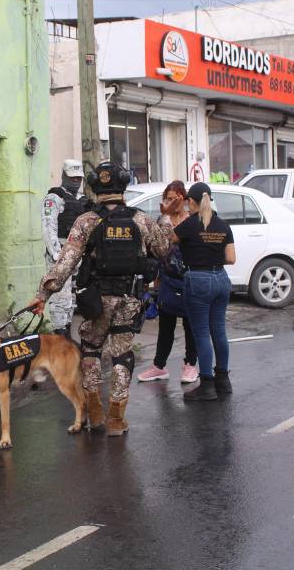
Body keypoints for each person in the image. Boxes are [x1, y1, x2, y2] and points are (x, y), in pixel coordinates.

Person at [28, 161, 171, 436]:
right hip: (129, 299)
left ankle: (95, 413)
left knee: (91, 351)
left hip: (95, 301)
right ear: (123, 186)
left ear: (96, 188)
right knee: (122, 355)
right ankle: (117, 419)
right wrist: (164, 218)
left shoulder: (86, 221)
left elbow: (65, 263)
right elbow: (163, 249)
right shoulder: (141, 219)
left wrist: (43, 294)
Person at [173, 182, 236, 401]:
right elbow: (231, 258)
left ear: (191, 202)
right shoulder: (223, 225)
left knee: (201, 333)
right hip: (220, 279)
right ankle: (223, 381)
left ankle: (207, 385)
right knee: (219, 331)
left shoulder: (188, 225)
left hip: (198, 280)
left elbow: (167, 242)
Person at [136, 181, 199, 384]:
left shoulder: (193, 219)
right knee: (166, 325)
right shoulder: (162, 221)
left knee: (191, 324)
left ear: (183, 198)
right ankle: (159, 366)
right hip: (167, 279)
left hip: (189, 279)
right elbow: (155, 248)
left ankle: (190, 364)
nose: (170, 202)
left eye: (174, 198)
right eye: (167, 198)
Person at [41, 159, 87, 337]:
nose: (76, 181)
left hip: (79, 253)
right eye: (72, 178)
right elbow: (48, 226)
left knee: (72, 300)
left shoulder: (82, 199)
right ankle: (61, 339)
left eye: (78, 178)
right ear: (64, 176)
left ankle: (67, 338)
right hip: (61, 250)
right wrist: (56, 255)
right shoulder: (54, 197)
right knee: (60, 298)